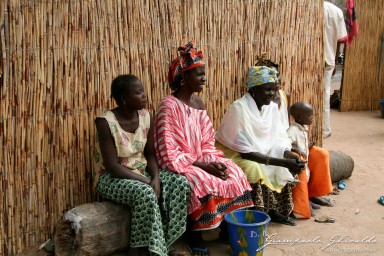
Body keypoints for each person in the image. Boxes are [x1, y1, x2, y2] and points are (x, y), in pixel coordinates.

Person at [154, 41, 253, 255]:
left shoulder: (198, 104)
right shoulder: (168, 106)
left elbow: (207, 142)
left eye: (203, 74)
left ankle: (226, 228)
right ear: (183, 78)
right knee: (201, 181)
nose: (204, 79)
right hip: (178, 164)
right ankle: (194, 233)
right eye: (199, 74)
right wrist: (203, 167)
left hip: (199, 159)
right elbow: (167, 150)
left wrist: (213, 162)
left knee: (234, 171)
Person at [94, 75, 190, 256]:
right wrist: (147, 182)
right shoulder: (105, 122)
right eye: (139, 93)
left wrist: (155, 177)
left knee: (180, 183)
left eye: (143, 91)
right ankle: (137, 250)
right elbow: (113, 166)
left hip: (142, 172)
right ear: (124, 99)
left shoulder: (146, 117)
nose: (145, 96)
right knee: (145, 193)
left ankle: (165, 244)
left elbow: (150, 153)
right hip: (112, 179)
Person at [216, 66, 306, 226]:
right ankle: (257, 215)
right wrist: (283, 162)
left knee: (286, 165)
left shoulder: (271, 108)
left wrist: (289, 156)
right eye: (267, 90)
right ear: (254, 89)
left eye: (274, 90)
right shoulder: (239, 109)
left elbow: (279, 139)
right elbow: (246, 153)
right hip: (234, 155)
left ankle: (276, 210)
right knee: (254, 168)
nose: (272, 94)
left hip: (262, 153)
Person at [287, 102, 334, 218]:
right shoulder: (292, 130)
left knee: (322, 154)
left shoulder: (303, 127)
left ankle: (312, 194)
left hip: (305, 158)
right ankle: (303, 203)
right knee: (301, 164)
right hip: (295, 164)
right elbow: (285, 145)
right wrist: (297, 150)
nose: (312, 117)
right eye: (310, 115)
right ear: (299, 117)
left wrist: (307, 147)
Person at [323, 0, 348, 138]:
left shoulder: (306, 7)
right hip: (328, 58)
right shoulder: (336, 11)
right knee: (325, 93)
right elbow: (340, 40)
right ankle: (325, 129)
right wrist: (334, 60)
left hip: (308, 59)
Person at [255, 54, 290, 130]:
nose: (275, 79)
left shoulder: (284, 96)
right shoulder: (259, 100)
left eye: (277, 75)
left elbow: (288, 123)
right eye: (270, 76)